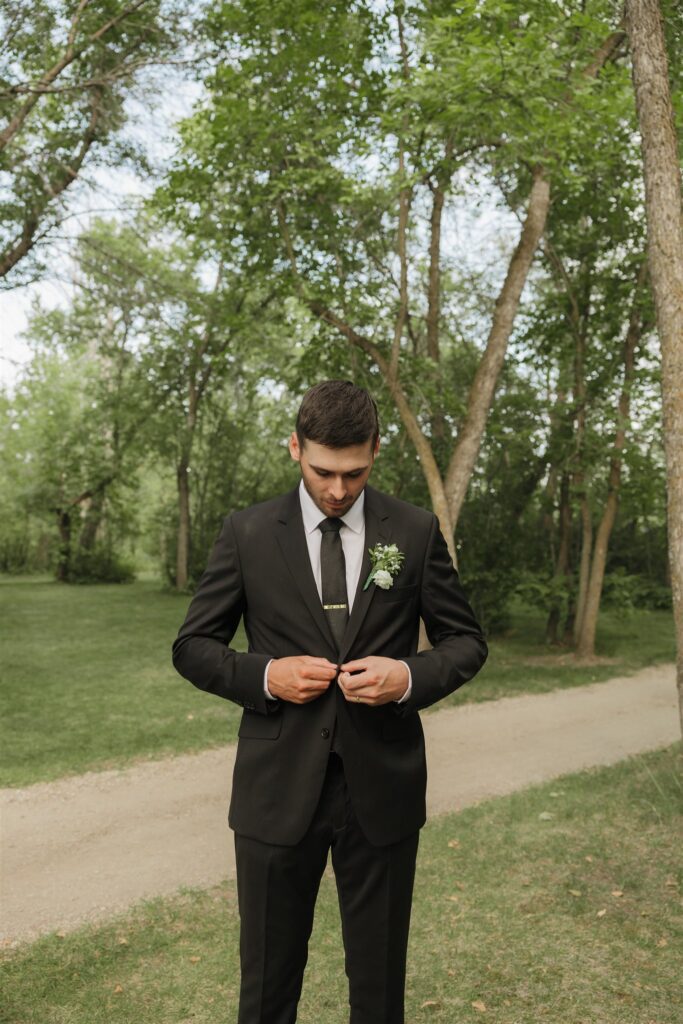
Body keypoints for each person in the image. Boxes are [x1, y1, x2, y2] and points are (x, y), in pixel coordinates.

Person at [172, 379, 488, 1024]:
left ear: (376, 449)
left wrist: (407, 676)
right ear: (294, 447)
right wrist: (266, 676)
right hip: (275, 789)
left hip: (384, 791)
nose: (338, 490)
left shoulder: (417, 531)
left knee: (379, 990)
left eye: (355, 472)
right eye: (323, 471)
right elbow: (193, 646)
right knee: (266, 990)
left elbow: (466, 642)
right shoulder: (248, 532)